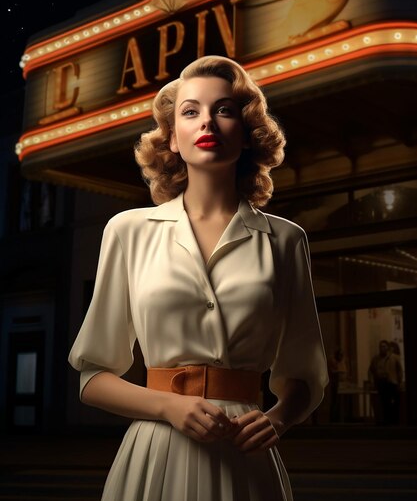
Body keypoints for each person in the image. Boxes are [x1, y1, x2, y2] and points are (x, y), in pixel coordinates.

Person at [68, 55, 328, 501]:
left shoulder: (286, 240)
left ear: (247, 134)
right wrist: (167, 404)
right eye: (190, 112)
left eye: (224, 110)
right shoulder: (127, 230)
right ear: (171, 138)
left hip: (245, 452)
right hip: (154, 448)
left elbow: (304, 373)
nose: (207, 121)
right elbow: (92, 378)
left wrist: (280, 418)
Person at [368, 339, 403, 425]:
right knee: (384, 403)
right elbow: (371, 370)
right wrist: (372, 381)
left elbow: (399, 370)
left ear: (387, 347)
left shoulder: (394, 357)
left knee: (395, 403)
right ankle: (386, 421)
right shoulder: (376, 359)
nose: (382, 348)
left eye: (384, 346)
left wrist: (400, 381)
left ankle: (395, 421)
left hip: (393, 383)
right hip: (381, 383)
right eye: (380, 346)